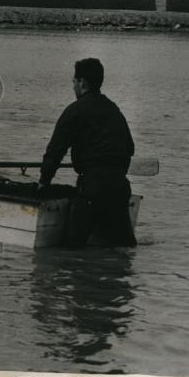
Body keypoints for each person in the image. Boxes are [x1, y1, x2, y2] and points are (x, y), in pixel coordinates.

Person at [38, 58, 137, 247]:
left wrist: (44, 182)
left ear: (82, 82)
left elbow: (55, 150)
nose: (73, 86)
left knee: (73, 249)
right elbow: (129, 148)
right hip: (119, 188)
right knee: (125, 248)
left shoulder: (75, 110)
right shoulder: (113, 110)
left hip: (92, 189)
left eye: (74, 82)